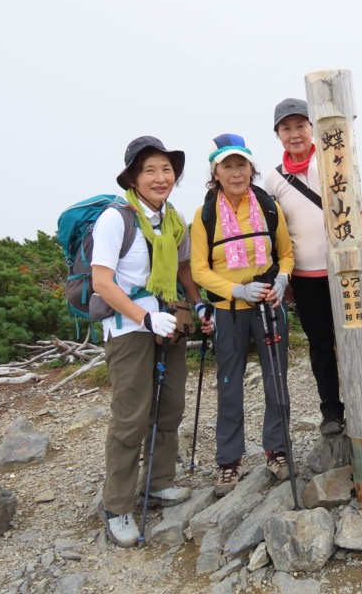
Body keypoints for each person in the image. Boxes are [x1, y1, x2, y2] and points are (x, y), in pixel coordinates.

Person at [92, 136, 213, 547]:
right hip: (130, 331)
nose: (161, 178)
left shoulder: (172, 219)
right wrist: (144, 316)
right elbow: (102, 283)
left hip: (169, 324)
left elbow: (181, 267)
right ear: (133, 177)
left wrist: (198, 305)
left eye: (166, 170)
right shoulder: (117, 218)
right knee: (131, 416)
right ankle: (117, 505)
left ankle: (158, 481)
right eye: (150, 170)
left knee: (170, 405)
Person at [191, 133, 295, 496]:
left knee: (276, 379)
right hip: (228, 310)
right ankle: (228, 461)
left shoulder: (267, 206)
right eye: (227, 166)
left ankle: (277, 450)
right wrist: (236, 289)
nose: (236, 172)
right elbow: (200, 270)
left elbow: (286, 253)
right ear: (215, 172)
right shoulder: (204, 215)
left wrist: (282, 280)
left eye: (241, 164)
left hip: (268, 305)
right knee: (229, 386)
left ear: (251, 167)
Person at [263, 98, 352, 436]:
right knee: (320, 344)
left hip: (345, 272)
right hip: (305, 277)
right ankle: (331, 411)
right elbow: (274, 231)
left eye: (301, 125)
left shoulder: (334, 160)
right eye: (287, 128)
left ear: (313, 128)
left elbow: (356, 202)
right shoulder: (273, 179)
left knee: (355, 339)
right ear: (278, 135)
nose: (295, 133)